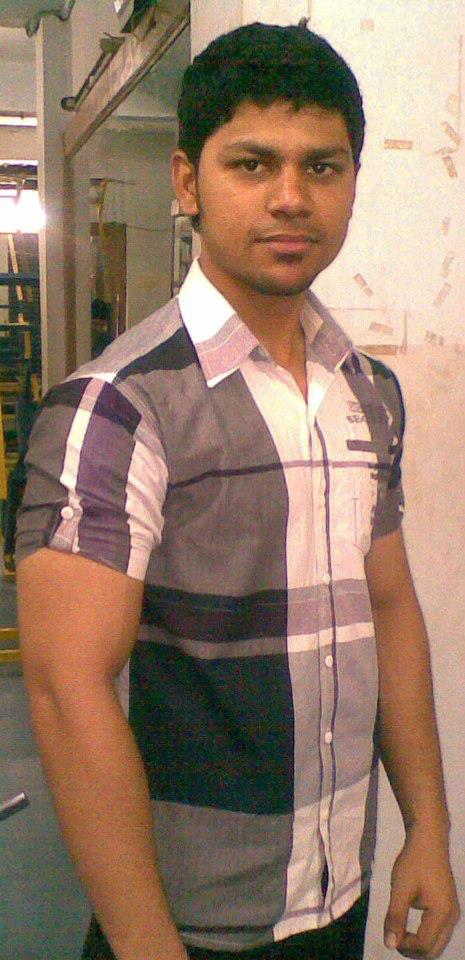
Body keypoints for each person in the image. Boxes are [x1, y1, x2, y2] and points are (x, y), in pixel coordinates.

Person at [16, 21, 459, 960]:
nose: (290, 198)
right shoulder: (116, 408)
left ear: (351, 180)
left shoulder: (366, 391)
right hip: (185, 926)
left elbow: (388, 607)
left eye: (321, 167)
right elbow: (65, 691)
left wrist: (426, 824)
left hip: (335, 898)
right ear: (187, 182)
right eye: (252, 165)